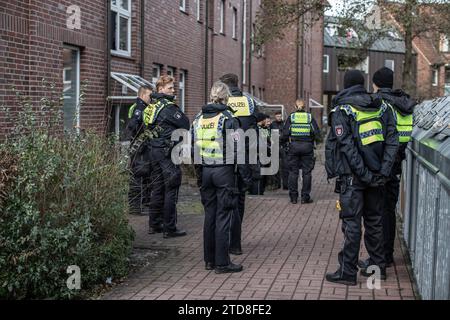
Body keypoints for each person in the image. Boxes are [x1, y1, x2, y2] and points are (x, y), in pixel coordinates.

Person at [324, 70, 399, 285]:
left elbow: (346, 146)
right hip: (378, 178)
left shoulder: (342, 109)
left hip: (353, 178)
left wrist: (364, 174)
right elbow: (392, 142)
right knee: (375, 223)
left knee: (352, 224)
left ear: (345, 85)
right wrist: (382, 172)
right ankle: (377, 269)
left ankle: (347, 272)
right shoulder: (382, 107)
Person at [358, 67, 416, 269]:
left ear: (376, 84)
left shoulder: (381, 104)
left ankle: (379, 257)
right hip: (398, 162)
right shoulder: (405, 104)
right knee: (389, 210)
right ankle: (388, 254)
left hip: (382, 164)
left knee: (377, 212)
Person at [193, 81, 248, 274]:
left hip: (206, 171)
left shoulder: (198, 118)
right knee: (224, 216)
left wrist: (199, 174)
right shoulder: (228, 118)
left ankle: (209, 261)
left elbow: (194, 148)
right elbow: (238, 147)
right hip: (224, 172)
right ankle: (223, 263)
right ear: (226, 97)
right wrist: (244, 176)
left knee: (210, 216)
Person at [144, 75, 190, 238]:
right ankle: (169, 228)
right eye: (170, 87)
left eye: (173, 87)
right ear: (160, 89)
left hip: (154, 151)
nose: (173, 90)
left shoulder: (151, 106)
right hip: (167, 152)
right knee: (171, 187)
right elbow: (185, 123)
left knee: (157, 188)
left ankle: (154, 224)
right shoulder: (168, 107)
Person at [220, 73, 255, 255]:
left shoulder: (220, 102)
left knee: (225, 202)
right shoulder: (249, 102)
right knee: (239, 201)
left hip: (224, 159)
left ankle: (223, 242)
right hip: (244, 157)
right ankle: (236, 243)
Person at [283, 99, 320, 204]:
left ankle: (293, 198)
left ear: (295, 107)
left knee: (293, 172)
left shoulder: (292, 117)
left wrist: (284, 143)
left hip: (293, 147)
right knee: (307, 173)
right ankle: (305, 197)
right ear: (305, 107)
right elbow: (316, 133)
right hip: (307, 147)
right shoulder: (309, 117)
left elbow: (285, 133)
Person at [125, 85, 154, 216]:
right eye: (149, 96)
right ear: (142, 95)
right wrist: (140, 139)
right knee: (138, 175)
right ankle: (135, 207)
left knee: (144, 175)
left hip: (139, 147)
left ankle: (142, 203)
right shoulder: (139, 108)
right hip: (139, 148)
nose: (151, 98)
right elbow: (132, 126)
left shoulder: (139, 107)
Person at [249, 113, 270, 195]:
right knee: (257, 175)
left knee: (261, 176)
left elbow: (267, 141)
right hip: (257, 155)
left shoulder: (262, 129)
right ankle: (257, 193)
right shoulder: (256, 129)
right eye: (265, 119)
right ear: (262, 120)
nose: (267, 121)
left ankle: (259, 191)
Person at [270, 111, 289, 190]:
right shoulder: (272, 124)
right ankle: (277, 184)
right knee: (275, 167)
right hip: (275, 147)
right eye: (277, 116)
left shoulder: (284, 124)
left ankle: (285, 185)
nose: (279, 118)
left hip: (283, 147)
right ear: (275, 117)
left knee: (285, 167)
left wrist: (279, 137)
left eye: (280, 116)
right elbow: (269, 134)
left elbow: (286, 134)